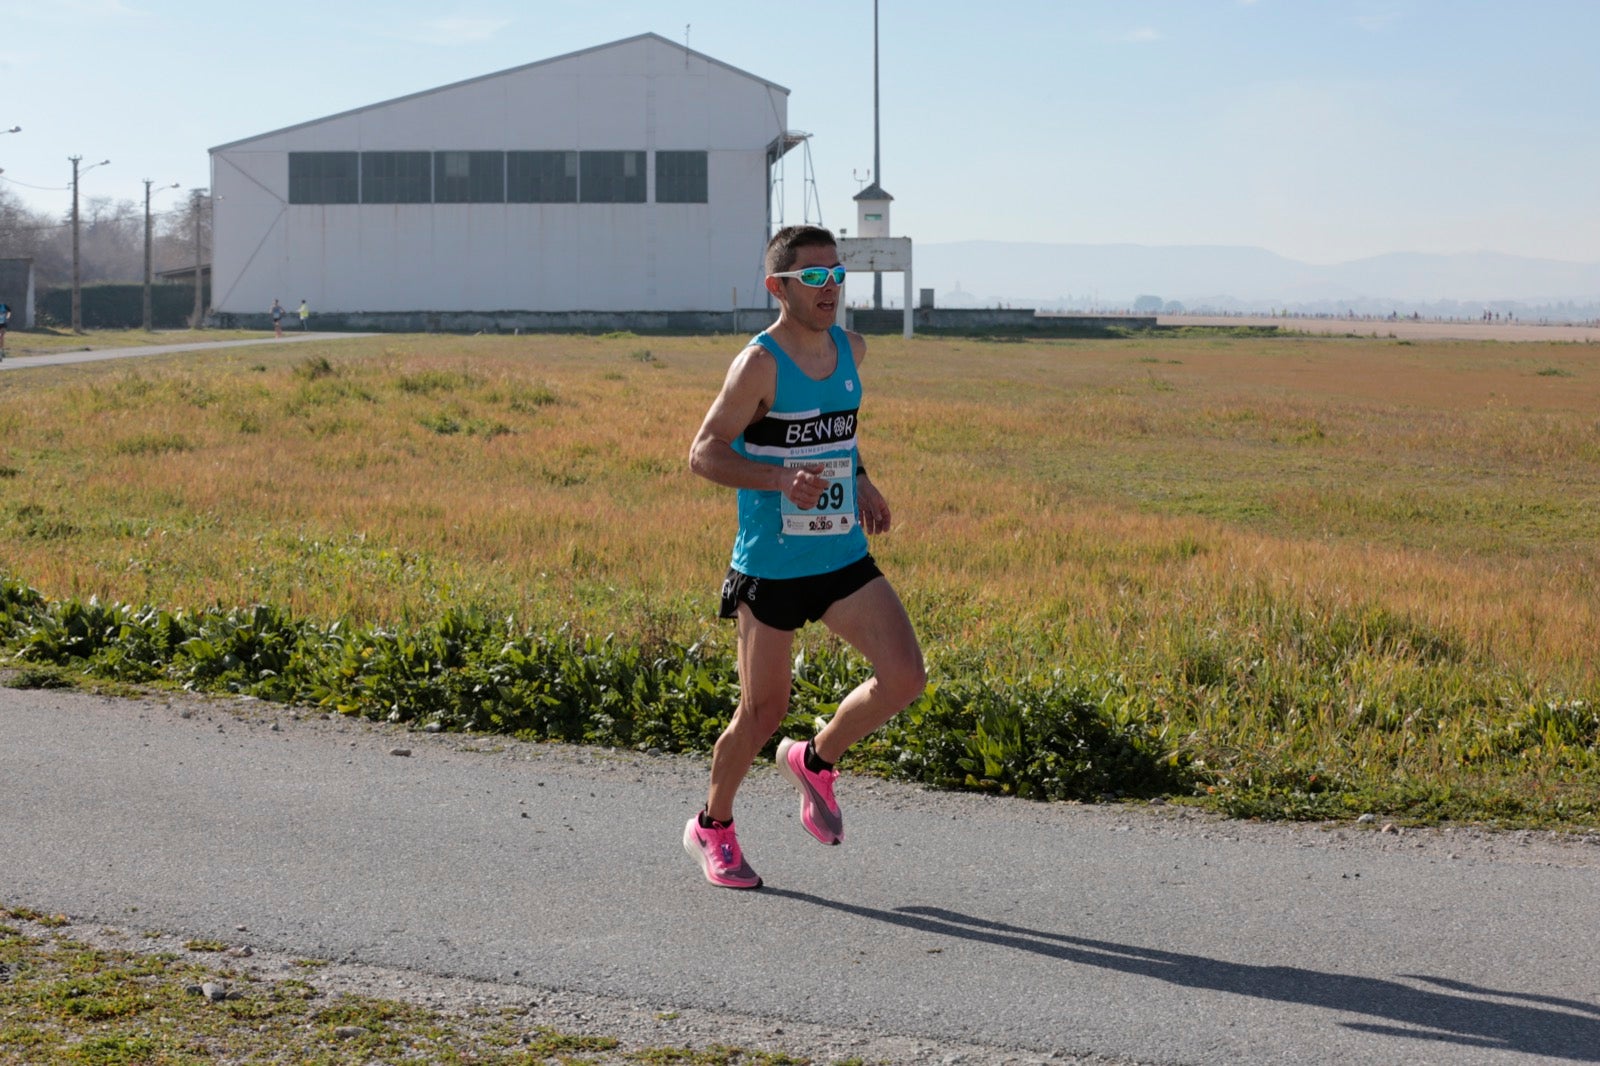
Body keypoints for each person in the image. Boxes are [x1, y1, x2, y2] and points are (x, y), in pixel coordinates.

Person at [683, 224, 927, 889]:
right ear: (777, 287)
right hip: (772, 564)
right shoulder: (758, 365)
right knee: (761, 713)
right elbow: (704, 453)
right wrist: (778, 479)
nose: (830, 288)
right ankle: (712, 826)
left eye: (837, 274)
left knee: (905, 676)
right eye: (813, 277)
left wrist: (862, 477)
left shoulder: (852, 348)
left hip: (841, 552)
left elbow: (834, 428)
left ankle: (816, 760)